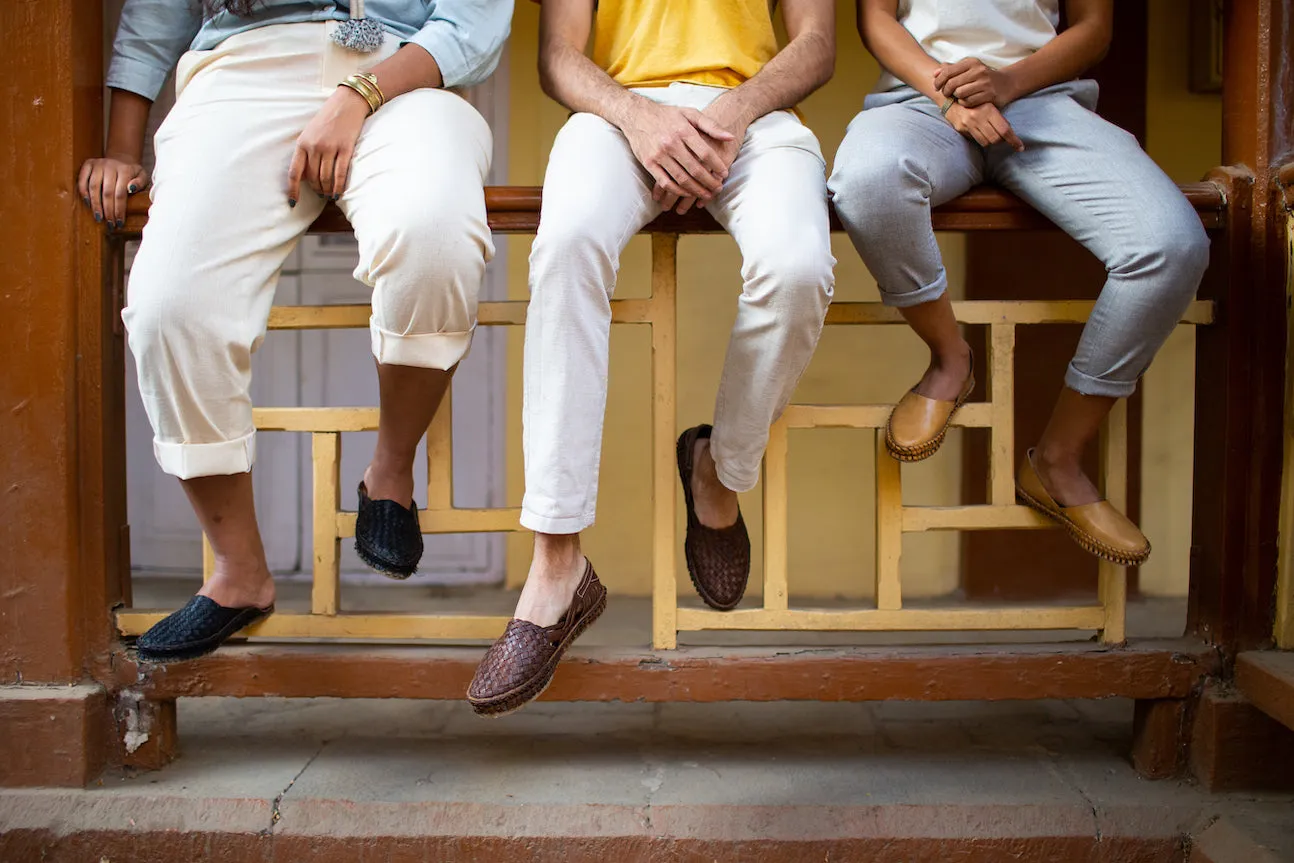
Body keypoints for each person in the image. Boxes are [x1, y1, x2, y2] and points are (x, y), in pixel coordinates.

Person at [79, 0, 513, 663]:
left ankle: (390, 471)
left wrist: (359, 94)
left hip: (405, 71)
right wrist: (118, 148)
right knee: (170, 302)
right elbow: (152, 18)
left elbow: (474, 23)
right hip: (242, 69)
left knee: (435, 234)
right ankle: (238, 571)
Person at [467, 0, 837, 717]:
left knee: (797, 267)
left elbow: (817, 44)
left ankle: (719, 470)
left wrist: (735, 110)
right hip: (617, 116)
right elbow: (559, 56)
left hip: (754, 117)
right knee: (567, 243)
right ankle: (557, 562)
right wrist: (640, 119)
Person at [829, 0, 1208, 565]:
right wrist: (947, 96)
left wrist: (1006, 82)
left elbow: (1093, 28)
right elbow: (875, 19)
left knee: (1171, 245)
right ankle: (950, 359)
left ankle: (1056, 459)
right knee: (867, 182)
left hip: (1045, 103)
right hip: (918, 103)